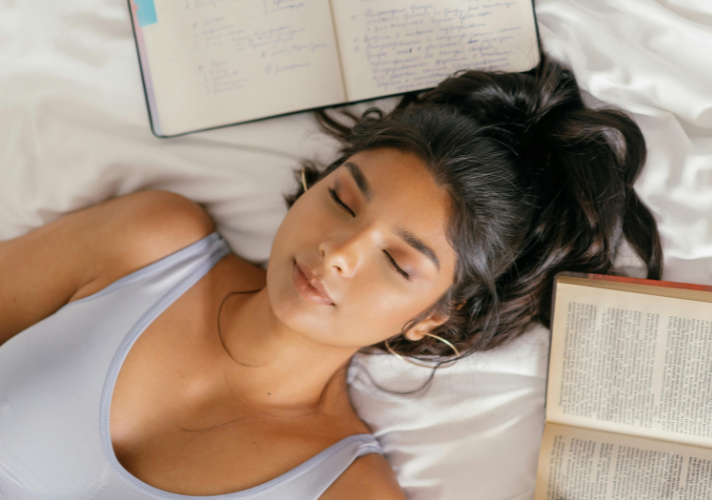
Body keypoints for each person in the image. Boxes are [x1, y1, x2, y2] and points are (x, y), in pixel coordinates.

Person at [0, 55, 662, 499]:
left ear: (435, 316)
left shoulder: (348, 490)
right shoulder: (148, 243)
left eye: (398, 262)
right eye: (345, 199)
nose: (340, 252)